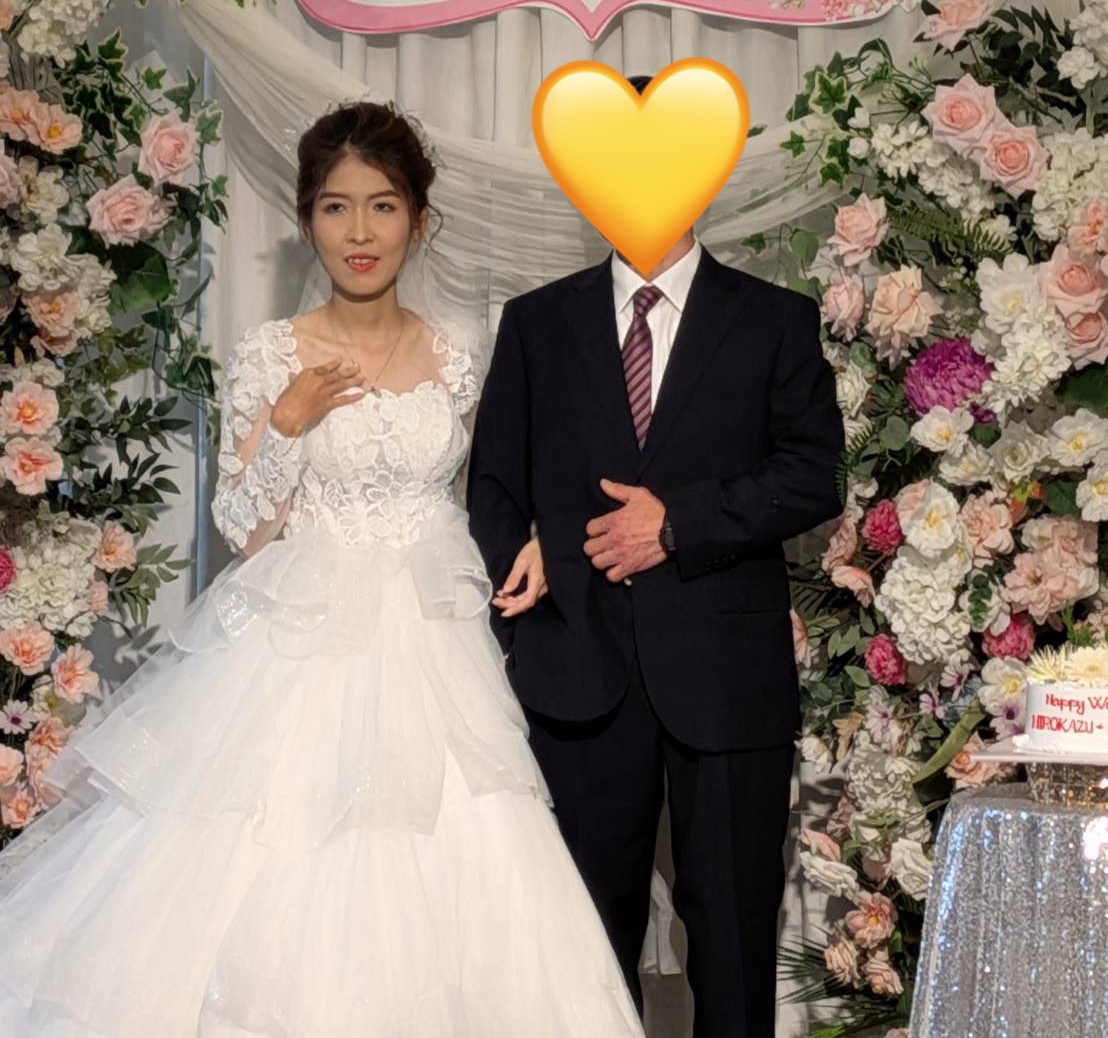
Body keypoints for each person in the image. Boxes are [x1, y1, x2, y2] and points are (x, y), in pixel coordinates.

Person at [0, 101, 644, 1038]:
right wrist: (287, 426)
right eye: (337, 207)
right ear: (308, 221)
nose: (360, 232)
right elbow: (242, 532)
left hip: (436, 639)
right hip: (301, 636)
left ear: (419, 219)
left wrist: (541, 534)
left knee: (470, 848)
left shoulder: (460, 353)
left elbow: (497, 486)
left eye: (382, 206)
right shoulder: (273, 352)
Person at [467, 74, 846, 1038]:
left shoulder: (774, 319)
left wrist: (675, 523)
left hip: (728, 675)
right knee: (583, 949)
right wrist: (540, 562)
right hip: (576, 671)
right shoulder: (536, 323)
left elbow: (813, 477)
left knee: (733, 940)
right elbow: (493, 488)